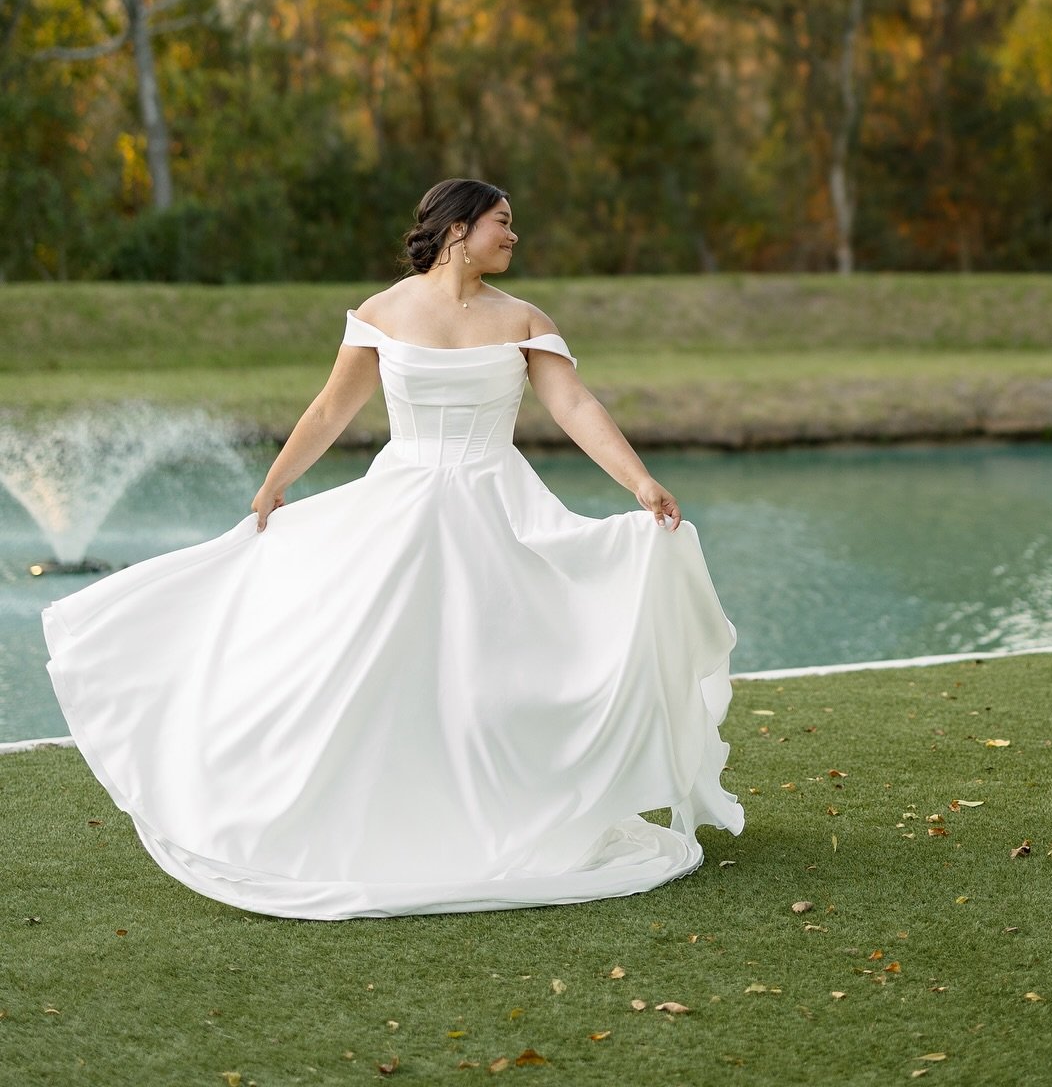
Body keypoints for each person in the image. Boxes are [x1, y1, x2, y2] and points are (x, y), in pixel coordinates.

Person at [44, 178, 742, 918]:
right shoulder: (380, 313)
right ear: (457, 230)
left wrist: (639, 482)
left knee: (494, 665)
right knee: (366, 660)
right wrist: (276, 483)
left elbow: (574, 403)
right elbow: (330, 406)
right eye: (502, 223)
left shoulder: (523, 319)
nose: (513, 236)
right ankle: (356, 812)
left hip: (497, 507)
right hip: (402, 504)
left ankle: (502, 814)